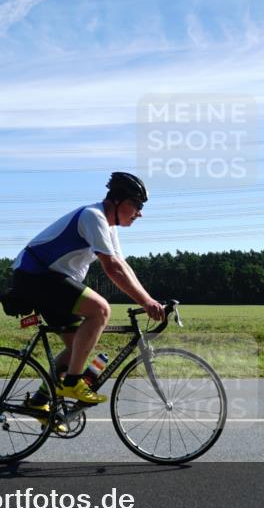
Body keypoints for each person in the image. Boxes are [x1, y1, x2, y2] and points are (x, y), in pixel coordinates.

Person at [11, 172, 164, 407]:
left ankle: (40, 401)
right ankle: (72, 382)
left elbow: (122, 265)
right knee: (101, 310)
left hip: (48, 279)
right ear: (118, 200)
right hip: (36, 275)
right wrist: (146, 302)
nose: (139, 213)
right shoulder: (94, 217)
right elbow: (112, 269)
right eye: (136, 204)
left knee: (76, 349)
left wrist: (149, 299)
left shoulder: (109, 226)